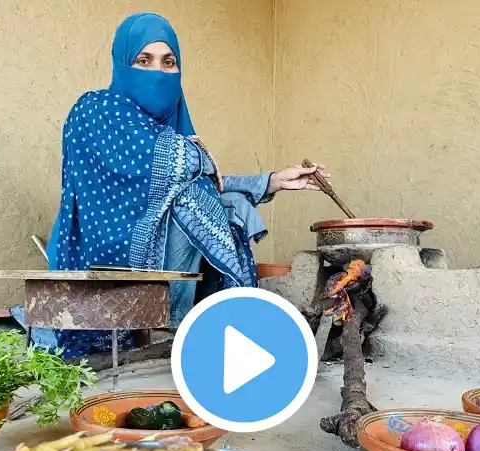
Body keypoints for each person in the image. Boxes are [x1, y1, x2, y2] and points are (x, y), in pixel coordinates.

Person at [31, 12, 330, 359]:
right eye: (144, 60)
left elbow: (201, 179)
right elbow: (182, 169)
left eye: (168, 62)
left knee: (223, 201)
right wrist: (195, 154)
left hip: (161, 257)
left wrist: (274, 180)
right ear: (122, 63)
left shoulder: (170, 132)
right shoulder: (97, 108)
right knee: (194, 196)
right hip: (107, 255)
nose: (158, 71)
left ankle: (213, 321)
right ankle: (183, 325)